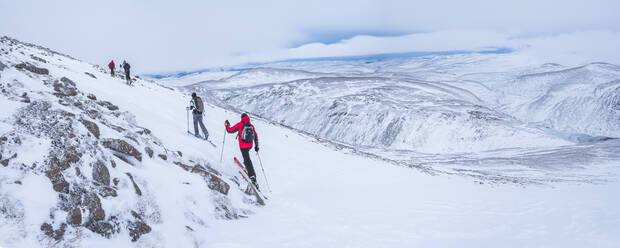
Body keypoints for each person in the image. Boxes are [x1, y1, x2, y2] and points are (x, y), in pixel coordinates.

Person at [225, 113, 259, 188]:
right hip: (250, 145)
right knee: (246, 158)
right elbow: (256, 136)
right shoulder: (251, 125)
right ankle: (247, 167)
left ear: (242, 118)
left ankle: (252, 177)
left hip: (243, 146)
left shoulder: (240, 124)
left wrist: (227, 125)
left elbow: (230, 130)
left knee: (247, 160)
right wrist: (256, 146)